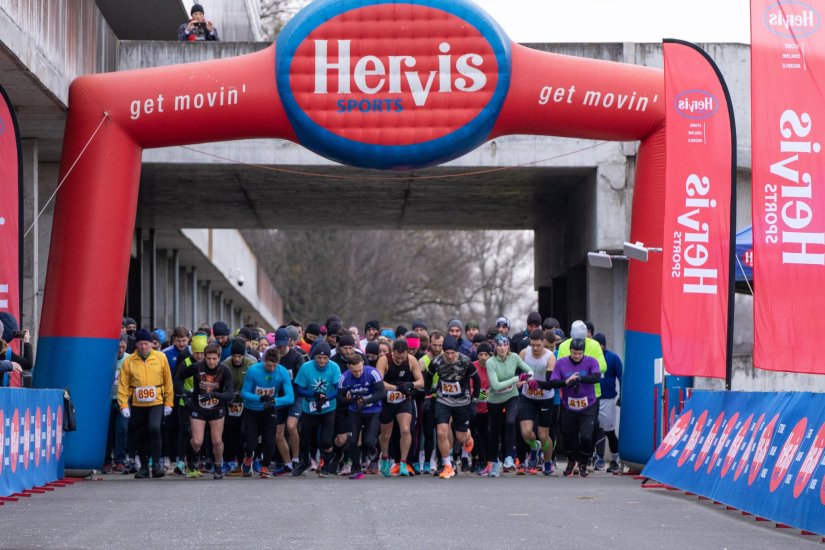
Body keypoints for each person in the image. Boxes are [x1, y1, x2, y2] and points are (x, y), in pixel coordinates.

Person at [538, 338, 601, 477]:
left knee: (586, 437)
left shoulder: (591, 361)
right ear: (570, 351)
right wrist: (567, 382)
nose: (577, 356)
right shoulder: (561, 363)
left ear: (583, 352)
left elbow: (597, 377)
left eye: (579, 353)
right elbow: (553, 381)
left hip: (588, 405)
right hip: (568, 405)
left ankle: (583, 463)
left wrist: (580, 379)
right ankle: (571, 461)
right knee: (568, 436)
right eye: (574, 353)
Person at [118, 329, 174, 479]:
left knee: (154, 428)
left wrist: (169, 402)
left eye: (146, 343)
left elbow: (168, 381)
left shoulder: (161, 358)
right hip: (138, 403)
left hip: (157, 401)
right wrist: (124, 405)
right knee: (141, 433)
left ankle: (156, 464)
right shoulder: (129, 361)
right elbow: (123, 385)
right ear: (136, 345)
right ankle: (143, 467)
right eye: (140, 344)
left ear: (151, 344)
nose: (143, 347)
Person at [175, 343, 234, 479]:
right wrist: (184, 395)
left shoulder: (225, 370)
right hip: (198, 408)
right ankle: (193, 457)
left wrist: (214, 395)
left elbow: (230, 393)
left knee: (217, 441)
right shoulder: (197, 367)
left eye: (214, 359)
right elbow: (178, 377)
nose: (211, 362)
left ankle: (218, 466)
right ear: (204, 358)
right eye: (208, 358)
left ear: (219, 358)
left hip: (216, 409)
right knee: (197, 442)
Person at [426, 335, 480, 479]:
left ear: (456, 352)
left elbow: (477, 380)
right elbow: (428, 377)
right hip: (443, 401)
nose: (450, 356)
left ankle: (468, 437)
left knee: (460, 437)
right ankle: (447, 465)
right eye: (447, 353)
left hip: (462, 402)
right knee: (442, 432)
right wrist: (427, 395)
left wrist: (474, 401)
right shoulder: (436, 362)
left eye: (452, 353)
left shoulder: (465, 361)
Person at [240, 347, 294, 478]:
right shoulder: (253, 370)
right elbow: (244, 393)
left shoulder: (282, 372)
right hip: (252, 410)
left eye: (274, 366)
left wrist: (274, 400)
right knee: (251, 443)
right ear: (264, 361)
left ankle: (264, 467)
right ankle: (248, 457)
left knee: (269, 441)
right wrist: (259, 398)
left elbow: (290, 397)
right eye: (269, 365)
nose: (271, 369)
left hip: (269, 409)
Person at [484, 334, 532, 476]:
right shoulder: (490, 362)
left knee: (511, 422)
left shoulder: (515, 357)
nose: (503, 348)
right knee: (494, 432)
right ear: (495, 347)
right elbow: (496, 385)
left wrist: (527, 380)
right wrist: (517, 378)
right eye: (499, 345)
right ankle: (493, 463)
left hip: (512, 396)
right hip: (494, 399)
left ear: (509, 345)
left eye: (505, 344)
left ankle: (509, 457)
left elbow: (530, 371)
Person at [292, 342, 341, 477]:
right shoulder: (306, 367)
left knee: (325, 440)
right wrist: (313, 395)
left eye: (325, 358)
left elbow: (338, 389)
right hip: (309, 408)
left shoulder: (334, 367)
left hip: (328, 407)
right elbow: (299, 389)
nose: (322, 361)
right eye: (319, 358)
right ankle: (305, 461)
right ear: (314, 357)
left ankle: (325, 464)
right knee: (305, 440)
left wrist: (326, 398)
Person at [376, 339, 424, 477]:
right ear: (393, 352)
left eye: (402, 358)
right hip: (387, 400)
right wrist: (396, 387)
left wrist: (410, 385)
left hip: (403, 400)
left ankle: (403, 462)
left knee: (405, 429)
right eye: (397, 357)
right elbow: (379, 382)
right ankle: (385, 458)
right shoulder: (384, 360)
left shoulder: (411, 360)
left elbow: (421, 382)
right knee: (386, 435)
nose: (399, 360)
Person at [337, 354, 386, 479]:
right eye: (354, 371)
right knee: (352, 440)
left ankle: (371, 450)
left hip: (372, 410)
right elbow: (341, 398)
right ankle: (357, 469)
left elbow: (382, 393)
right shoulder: (344, 377)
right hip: (355, 410)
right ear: (349, 367)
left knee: (368, 441)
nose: (358, 373)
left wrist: (367, 399)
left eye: (360, 370)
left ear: (363, 365)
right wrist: (351, 399)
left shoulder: (372, 373)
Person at [518, 329, 556, 475]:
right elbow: (518, 373)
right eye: (532, 345)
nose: (535, 348)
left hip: (545, 398)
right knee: (526, 432)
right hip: (528, 397)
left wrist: (535, 382)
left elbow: (550, 382)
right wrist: (522, 379)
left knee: (543, 435)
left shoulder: (550, 357)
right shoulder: (524, 353)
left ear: (544, 343)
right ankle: (534, 448)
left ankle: (547, 461)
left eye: (538, 345)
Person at [172, 333, 207, 476]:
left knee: (197, 434)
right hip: (185, 402)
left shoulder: (208, 363)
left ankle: (194, 461)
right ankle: (181, 460)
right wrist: (183, 393)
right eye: (197, 352)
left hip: (202, 403)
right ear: (192, 350)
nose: (199, 356)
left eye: (201, 353)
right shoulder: (186, 362)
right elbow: (178, 380)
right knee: (185, 431)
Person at [222, 339, 255, 475]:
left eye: (239, 356)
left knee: (246, 433)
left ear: (244, 356)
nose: (236, 359)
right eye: (234, 356)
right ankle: (239, 463)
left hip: (246, 403)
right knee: (233, 434)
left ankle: (252, 460)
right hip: (231, 404)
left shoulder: (251, 365)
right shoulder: (225, 365)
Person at [593, 333, 622, 473]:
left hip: (608, 399)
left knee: (609, 431)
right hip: (592, 397)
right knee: (594, 429)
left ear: (604, 345)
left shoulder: (613, 358)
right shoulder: (590, 357)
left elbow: (621, 377)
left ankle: (615, 459)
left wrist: (622, 395)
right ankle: (597, 458)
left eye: (600, 345)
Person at [103, 336, 130, 474]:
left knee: (121, 430)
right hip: (107, 400)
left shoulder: (129, 359)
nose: (120, 350)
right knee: (107, 432)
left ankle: (120, 461)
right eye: (117, 347)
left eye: (123, 347)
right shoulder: (106, 358)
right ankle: (107, 460)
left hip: (122, 401)